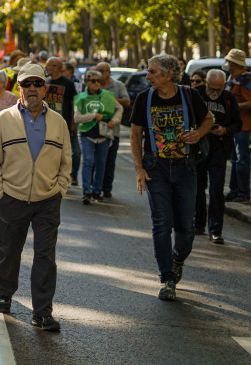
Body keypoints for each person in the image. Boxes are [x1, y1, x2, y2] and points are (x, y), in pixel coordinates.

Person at [0, 62, 71, 332]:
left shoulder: (58, 122)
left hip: (47, 200)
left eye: (37, 84)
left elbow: (66, 161)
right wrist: (0, 192)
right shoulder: (3, 119)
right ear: (18, 88)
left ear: (45, 88)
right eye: (26, 84)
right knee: (9, 252)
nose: (32, 89)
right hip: (13, 197)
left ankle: (42, 311)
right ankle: (5, 293)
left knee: (45, 255)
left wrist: (60, 189)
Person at [130, 53, 212, 301]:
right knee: (161, 224)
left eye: (152, 71)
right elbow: (136, 135)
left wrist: (198, 134)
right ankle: (167, 278)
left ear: (167, 74)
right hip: (156, 168)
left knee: (186, 228)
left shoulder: (189, 95)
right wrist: (139, 169)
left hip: (185, 166)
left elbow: (208, 119)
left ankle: (178, 259)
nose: (148, 76)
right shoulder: (144, 99)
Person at [195, 69, 240, 244]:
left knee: (216, 190)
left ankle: (215, 230)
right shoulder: (197, 95)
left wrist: (225, 130)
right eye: (211, 88)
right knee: (198, 188)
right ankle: (198, 224)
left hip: (219, 149)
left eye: (218, 89)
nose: (214, 93)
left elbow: (238, 123)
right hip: (199, 148)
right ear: (205, 83)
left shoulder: (228, 99)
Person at [74, 70, 122, 204]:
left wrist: (115, 120)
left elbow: (119, 109)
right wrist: (93, 116)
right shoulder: (81, 98)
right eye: (93, 81)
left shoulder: (108, 96)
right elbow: (77, 118)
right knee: (88, 162)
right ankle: (86, 192)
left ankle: (96, 191)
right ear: (87, 82)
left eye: (99, 81)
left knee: (101, 163)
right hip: (86, 134)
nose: (96, 84)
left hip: (104, 135)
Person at [224, 48, 251, 202]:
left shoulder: (246, 80)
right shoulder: (233, 78)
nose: (227, 63)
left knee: (242, 159)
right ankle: (234, 191)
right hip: (234, 125)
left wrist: (234, 106)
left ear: (234, 63)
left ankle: (244, 193)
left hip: (243, 126)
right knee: (236, 159)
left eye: (229, 61)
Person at [96, 61, 131, 198]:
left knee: (109, 160)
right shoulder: (93, 85)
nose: (99, 73)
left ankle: (107, 188)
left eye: (102, 70)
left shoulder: (118, 85)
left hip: (112, 129)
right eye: (98, 70)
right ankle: (95, 187)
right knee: (94, 160)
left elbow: (127, 102)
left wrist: (111, 99)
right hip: (94, 129)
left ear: (109, 72)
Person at [44, 57, 77, 185]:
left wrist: (74, 123)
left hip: (64, 124)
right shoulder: (45, 82)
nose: (46, 68)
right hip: (47, 123)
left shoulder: (68, 84)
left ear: (56, 67)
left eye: (49, 66)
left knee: (64, 153)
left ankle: (64, 178)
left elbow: (74, 103)